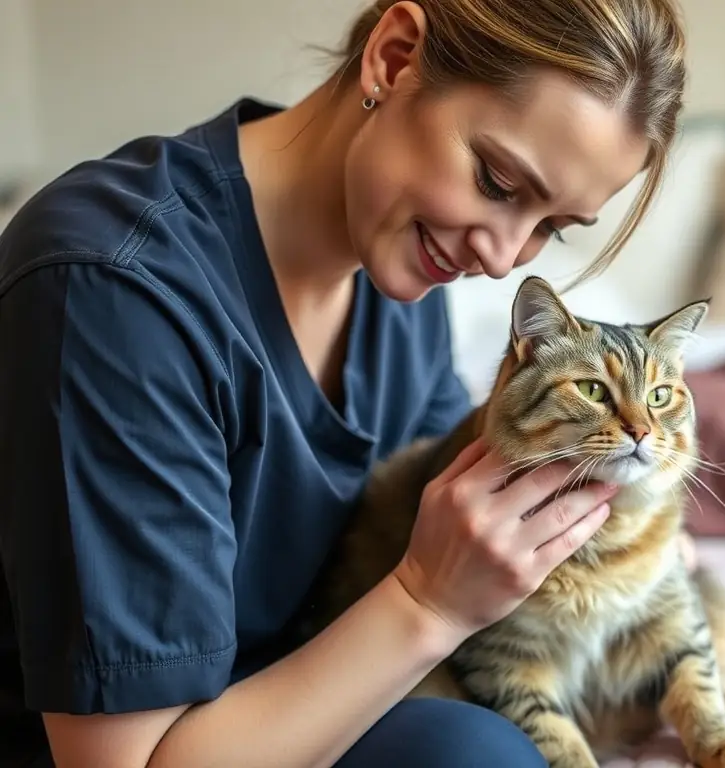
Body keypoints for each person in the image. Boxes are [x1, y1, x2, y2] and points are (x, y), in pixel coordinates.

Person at [0, 0, 688, 765]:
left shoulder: (403, 269)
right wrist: (427, 603)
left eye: (551, 228)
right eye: (497, 182)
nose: (501, 259)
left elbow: (443, 511)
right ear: (393, 59)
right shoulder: (115, 289)